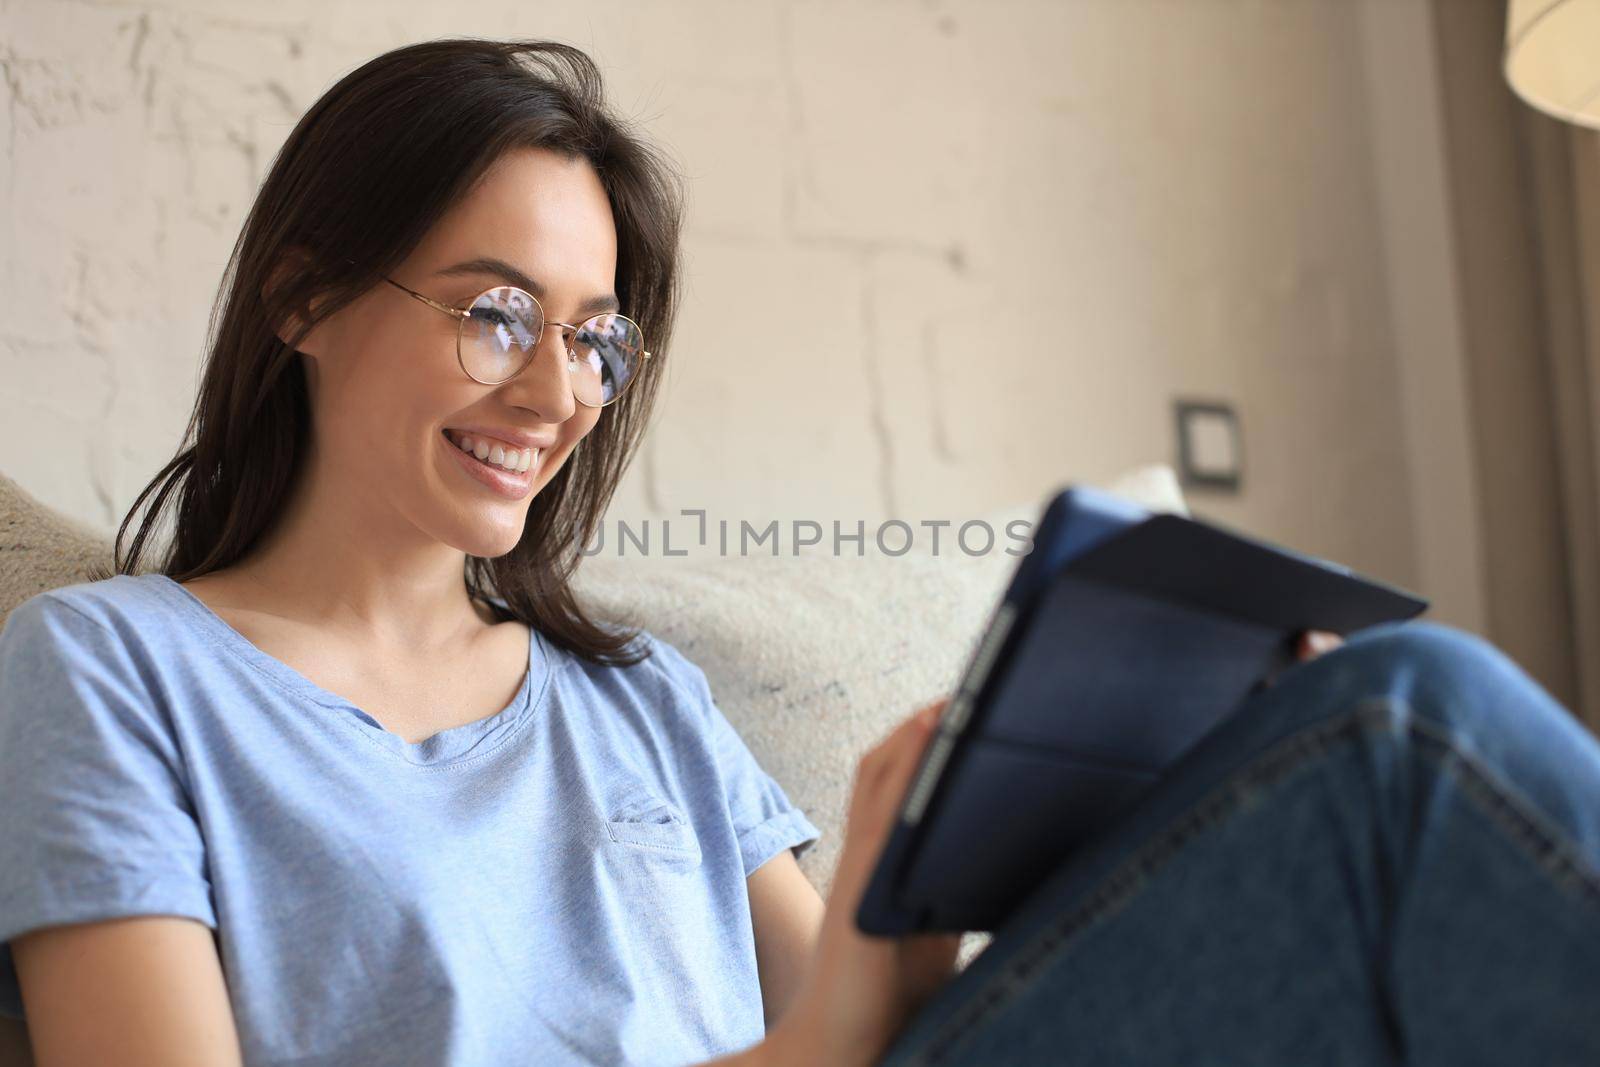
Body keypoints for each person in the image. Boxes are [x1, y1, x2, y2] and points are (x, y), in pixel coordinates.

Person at [1, 36, 1597, 1067]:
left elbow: (879, 1028)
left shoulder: (638, 701)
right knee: (1412, 734)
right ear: (302, 299)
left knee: (1346, 748)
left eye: (595, 338)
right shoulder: (112, 668)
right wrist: (829, 1027)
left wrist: (1121, 810)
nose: (557, 392)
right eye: (495, 312)